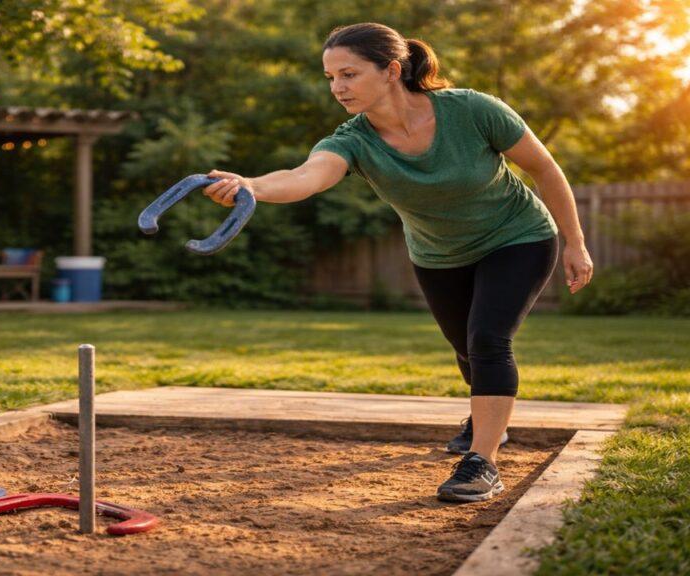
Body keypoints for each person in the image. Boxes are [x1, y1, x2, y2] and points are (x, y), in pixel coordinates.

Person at [202, 22, 593, 503]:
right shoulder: (352, 140)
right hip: (438, 254)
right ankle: (486, 416)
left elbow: (544, 168)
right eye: (330, 78)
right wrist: (252, 186)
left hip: (518, 237)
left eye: (348, 74)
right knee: (467, 347)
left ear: (391, 70)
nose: (337, 88)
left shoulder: (472, 110)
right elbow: (305, 177)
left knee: (488, 338)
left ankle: (483, 462)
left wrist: (575, 241)